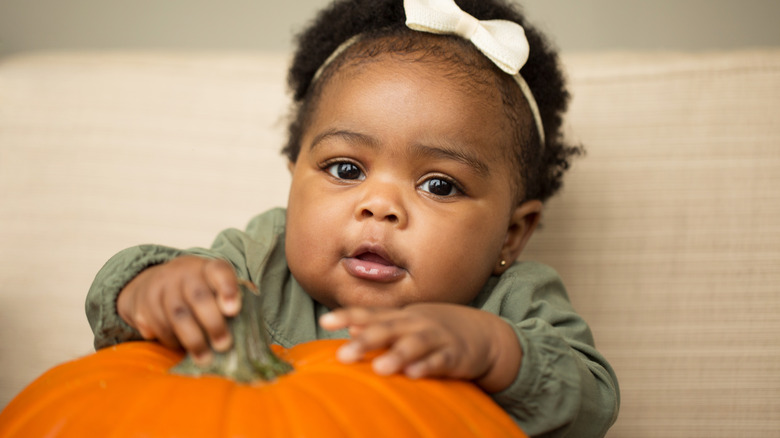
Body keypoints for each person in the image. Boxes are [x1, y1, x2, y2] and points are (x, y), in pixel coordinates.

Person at [86, 0, 619, 435]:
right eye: (345, 169)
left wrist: (494, 351)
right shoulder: (258, 258)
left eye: (439, 184)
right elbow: (155, 293)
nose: (379, 205)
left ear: (511, 233)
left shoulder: (513, 301)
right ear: (295, 181)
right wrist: (151, 285)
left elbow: (593, 400)